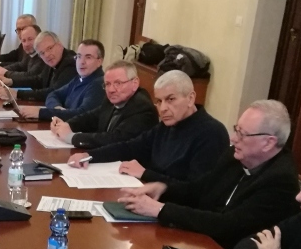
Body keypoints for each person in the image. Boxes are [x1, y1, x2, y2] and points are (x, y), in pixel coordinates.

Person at [116, 100, 301, 249]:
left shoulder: (281, 182)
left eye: (242, 134)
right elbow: (199, 189)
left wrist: (160, 209)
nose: (233, 138)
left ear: (268, 143)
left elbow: (228, 226)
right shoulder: (234, 156)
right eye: (236, 129)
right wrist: (163, 188)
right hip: (202, 243)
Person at [67, 70, 229, 184]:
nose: (163, 108)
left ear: (191, 98)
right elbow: (130, 147)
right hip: (150, 199)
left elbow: (195, 191)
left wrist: (146, 174)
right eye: (158, 101)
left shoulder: (211, 133)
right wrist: (90, 155)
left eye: (170, 99)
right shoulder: (166, 126)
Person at [49, 60, 157, 150]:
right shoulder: (113, 99)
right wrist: (66, 125)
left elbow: (114, 139)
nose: (111, 90)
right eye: (107, 84)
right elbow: (91, 117)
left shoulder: (142, 107)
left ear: (135, 83)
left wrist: (71, 137)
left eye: (118, 83)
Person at [0, 31, 77, 105]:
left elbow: (54, 92)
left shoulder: (70, 63)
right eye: (42, 53)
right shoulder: (53, 59)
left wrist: (18, 94)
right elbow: (39, 80)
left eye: (49, 48)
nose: (47, 55)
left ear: (60, 45)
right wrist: (12, 82)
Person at [36, 39, 105, 121]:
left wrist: (40, 113)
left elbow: (82, 115)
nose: (82, 62)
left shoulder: (99, 84)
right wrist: (57, 109)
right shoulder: (79, 78)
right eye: (79, 56)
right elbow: (53, 94)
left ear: (99, 61)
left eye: (88, 57)